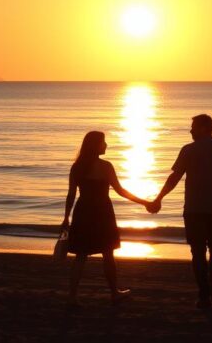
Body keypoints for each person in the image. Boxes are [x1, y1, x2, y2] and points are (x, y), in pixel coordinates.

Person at [149, 114, 212, 309]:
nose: (190, 130)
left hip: (194, 209)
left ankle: (204, 294)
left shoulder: (188, 150)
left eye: (193, 127)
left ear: (203, 128)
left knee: (198, 251)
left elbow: (174, 178)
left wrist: (158, 199)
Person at [61, 131, 151, 306]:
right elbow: (121, 191)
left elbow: (71, 194)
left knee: (81, 256)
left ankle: (72, 296)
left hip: (83, 211)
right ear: (95, 145)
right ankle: (114, 293)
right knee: (108, 254)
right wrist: (145, 202)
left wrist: (66, 217)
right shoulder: (106, 166)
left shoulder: (77, 166)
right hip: (102, 212)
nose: (106, 145)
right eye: (103, 142)